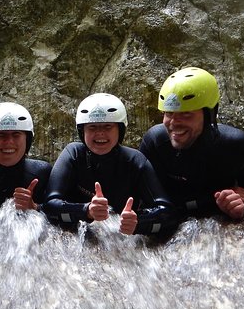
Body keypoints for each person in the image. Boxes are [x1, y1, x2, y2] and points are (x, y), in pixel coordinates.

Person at [139, 66, 244, 220]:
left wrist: (239, 203)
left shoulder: (236, 144)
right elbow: (144, 199)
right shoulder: (154, 142)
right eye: (169, 113)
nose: (174, 123)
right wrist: (210, 200)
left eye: (186, 114)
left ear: (209, 115)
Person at [44, 93, 177, 236]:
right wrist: (86, 210)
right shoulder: (73, 154)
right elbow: (49, 205)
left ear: (120, 130)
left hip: (121, 239)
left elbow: (168, 213)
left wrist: (138, 222)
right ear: (82, 131)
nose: (100, 133)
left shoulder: (135, 161)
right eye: (92, 127)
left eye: (108, 127)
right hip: (79, 236)